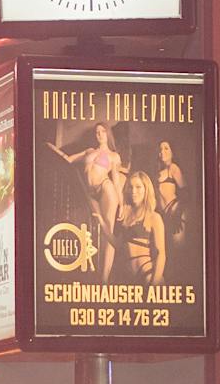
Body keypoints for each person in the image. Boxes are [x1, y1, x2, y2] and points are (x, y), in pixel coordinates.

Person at [48, 121, 125, 282]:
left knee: (107, 230)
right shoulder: (89, 151)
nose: (99, 134)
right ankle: (95, 272)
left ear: (108, 134)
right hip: (89, 193)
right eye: (97, 132)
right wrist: (51, 148)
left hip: (106, 188)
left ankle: (104, 279)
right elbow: (68, 159)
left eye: (103, 131)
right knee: (93, 227)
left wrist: (122, 204)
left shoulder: (113, 156)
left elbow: (117, 181)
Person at [114, 170, 166, 285]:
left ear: (146, 189)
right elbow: (117, 244)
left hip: (148, 275)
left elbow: (161, 253)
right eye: (131, 187)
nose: (133, 191)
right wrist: (102, 223)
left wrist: (154, 284)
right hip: (129, 278)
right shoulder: (126, 215)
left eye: (138, 187)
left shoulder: (154, 217)